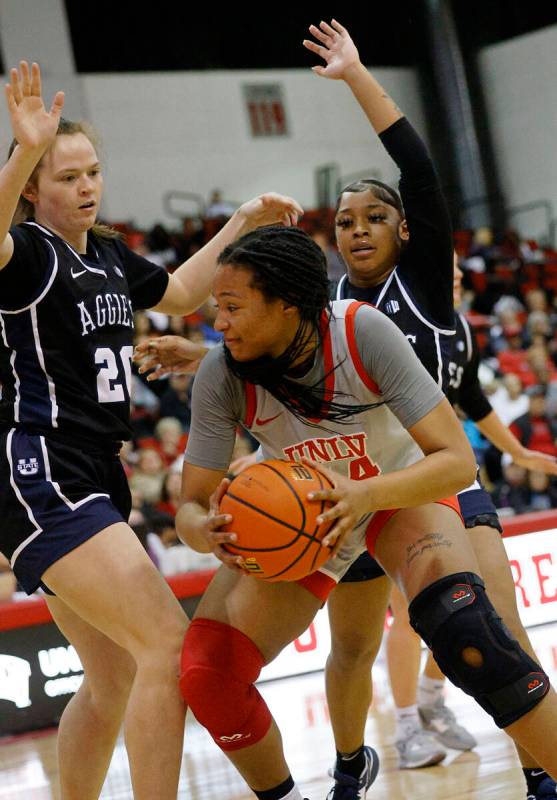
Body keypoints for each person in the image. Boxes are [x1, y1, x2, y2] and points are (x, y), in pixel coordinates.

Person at [172, 220, 557, 800]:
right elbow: (189, 507)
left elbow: (454, 462)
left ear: (287, 305)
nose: (217, 322)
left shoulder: (361, 332)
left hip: (394, 494)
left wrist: (367, 496)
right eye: (215, 308)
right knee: (208, 675)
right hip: (310, 518)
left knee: (465, 627)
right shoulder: (221, 372)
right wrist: (207, 531)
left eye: (231, 306)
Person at [0, 61, 302, 799]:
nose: (85, 186)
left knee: (113, 678)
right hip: (43, 466)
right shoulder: (27, 255)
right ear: (35, 189)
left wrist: (239, 223)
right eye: (65, 176)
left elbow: (181, 293)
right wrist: (20, 153)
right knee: (167, 642)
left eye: (92, 172)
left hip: (95, 470)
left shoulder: (105, 255)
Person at [302, 20, 557, 799]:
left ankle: (539, 764)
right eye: (343, 222)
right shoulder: (324, 307)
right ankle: (361, 761)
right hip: (356, 481)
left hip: (440, 473)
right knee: (349, 648)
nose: (356, 231)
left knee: (495, 623)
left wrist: (353, 75)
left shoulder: (424, 283)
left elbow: (467, 395)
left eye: (373, 218)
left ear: (406, 231)